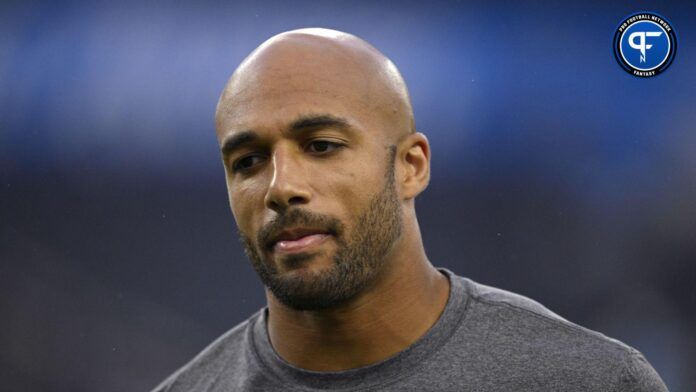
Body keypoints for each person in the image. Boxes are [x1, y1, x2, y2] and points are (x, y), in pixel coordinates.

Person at [152, 28, 667, 391]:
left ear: (411, 167)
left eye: (322, 146)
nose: (281, 187)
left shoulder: (584, 380)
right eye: (248, 161)